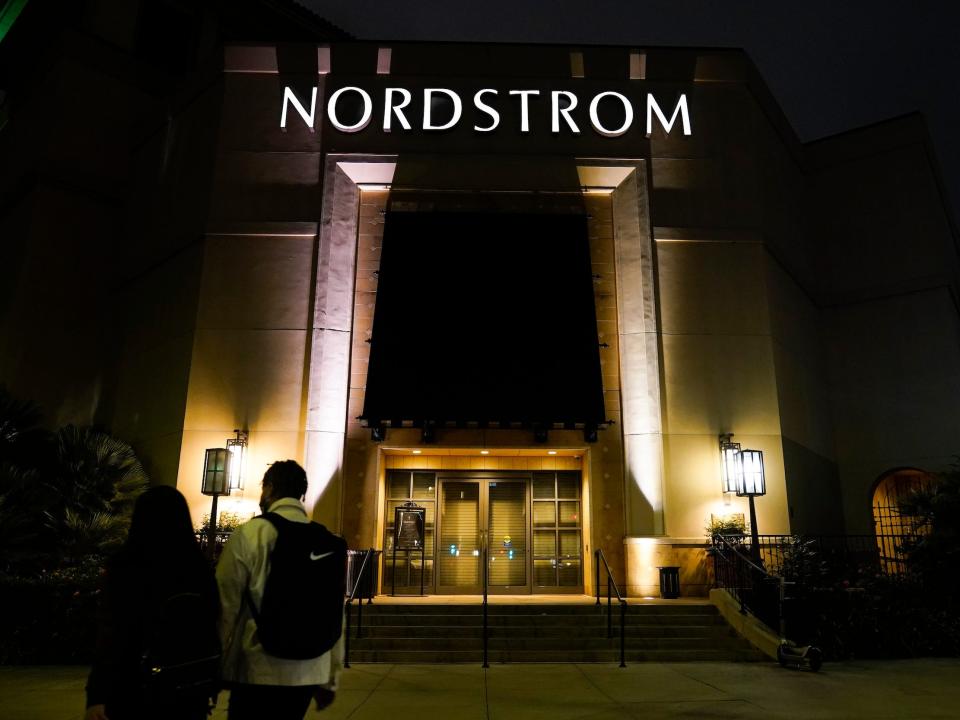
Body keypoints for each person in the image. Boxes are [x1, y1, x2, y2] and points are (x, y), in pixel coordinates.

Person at [216, 460, 344, 720]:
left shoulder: (252, 534)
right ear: (302, 493)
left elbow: (224, 605)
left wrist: (213, 664)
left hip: (259, 666)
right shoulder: (327, 541)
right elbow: (334, 612)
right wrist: (331, 677)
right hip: (310, 669)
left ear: (270, 488)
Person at [85, 485, 220, 720]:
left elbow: (112, 633)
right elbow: (212, 621)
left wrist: (97, 695)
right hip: (185, 685)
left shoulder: (125, 566)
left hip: (132, 684)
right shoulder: (196, 568)